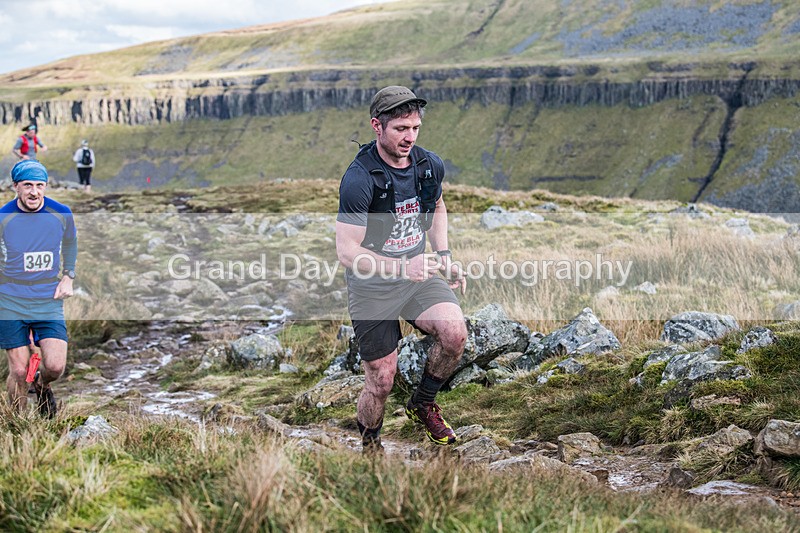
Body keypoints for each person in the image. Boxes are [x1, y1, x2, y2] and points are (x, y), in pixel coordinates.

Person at [336, 86, 468, 452]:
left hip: (416, 275)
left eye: (415, 128)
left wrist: (443, 255)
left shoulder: (428, 166)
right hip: (371, 287)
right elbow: (346, 251)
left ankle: (423, 404)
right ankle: (370, 445)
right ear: (377, 126)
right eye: (400, 129)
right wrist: (400, 267)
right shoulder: (360, 179)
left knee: (455, 334)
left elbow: (438, 206)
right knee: (381, 380)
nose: (410, 137)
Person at [0, 159, 77, 418]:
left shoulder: (61, 213)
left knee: (55, 366)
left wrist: (69, 276)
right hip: (10, 299)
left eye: (40, 185)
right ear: (16, 187)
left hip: (48, 298)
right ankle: (18, 424)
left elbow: (70, 244)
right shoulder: (4, 217)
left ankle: (42, 386)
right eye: (28, 185)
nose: (34, 191)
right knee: (19, 371)